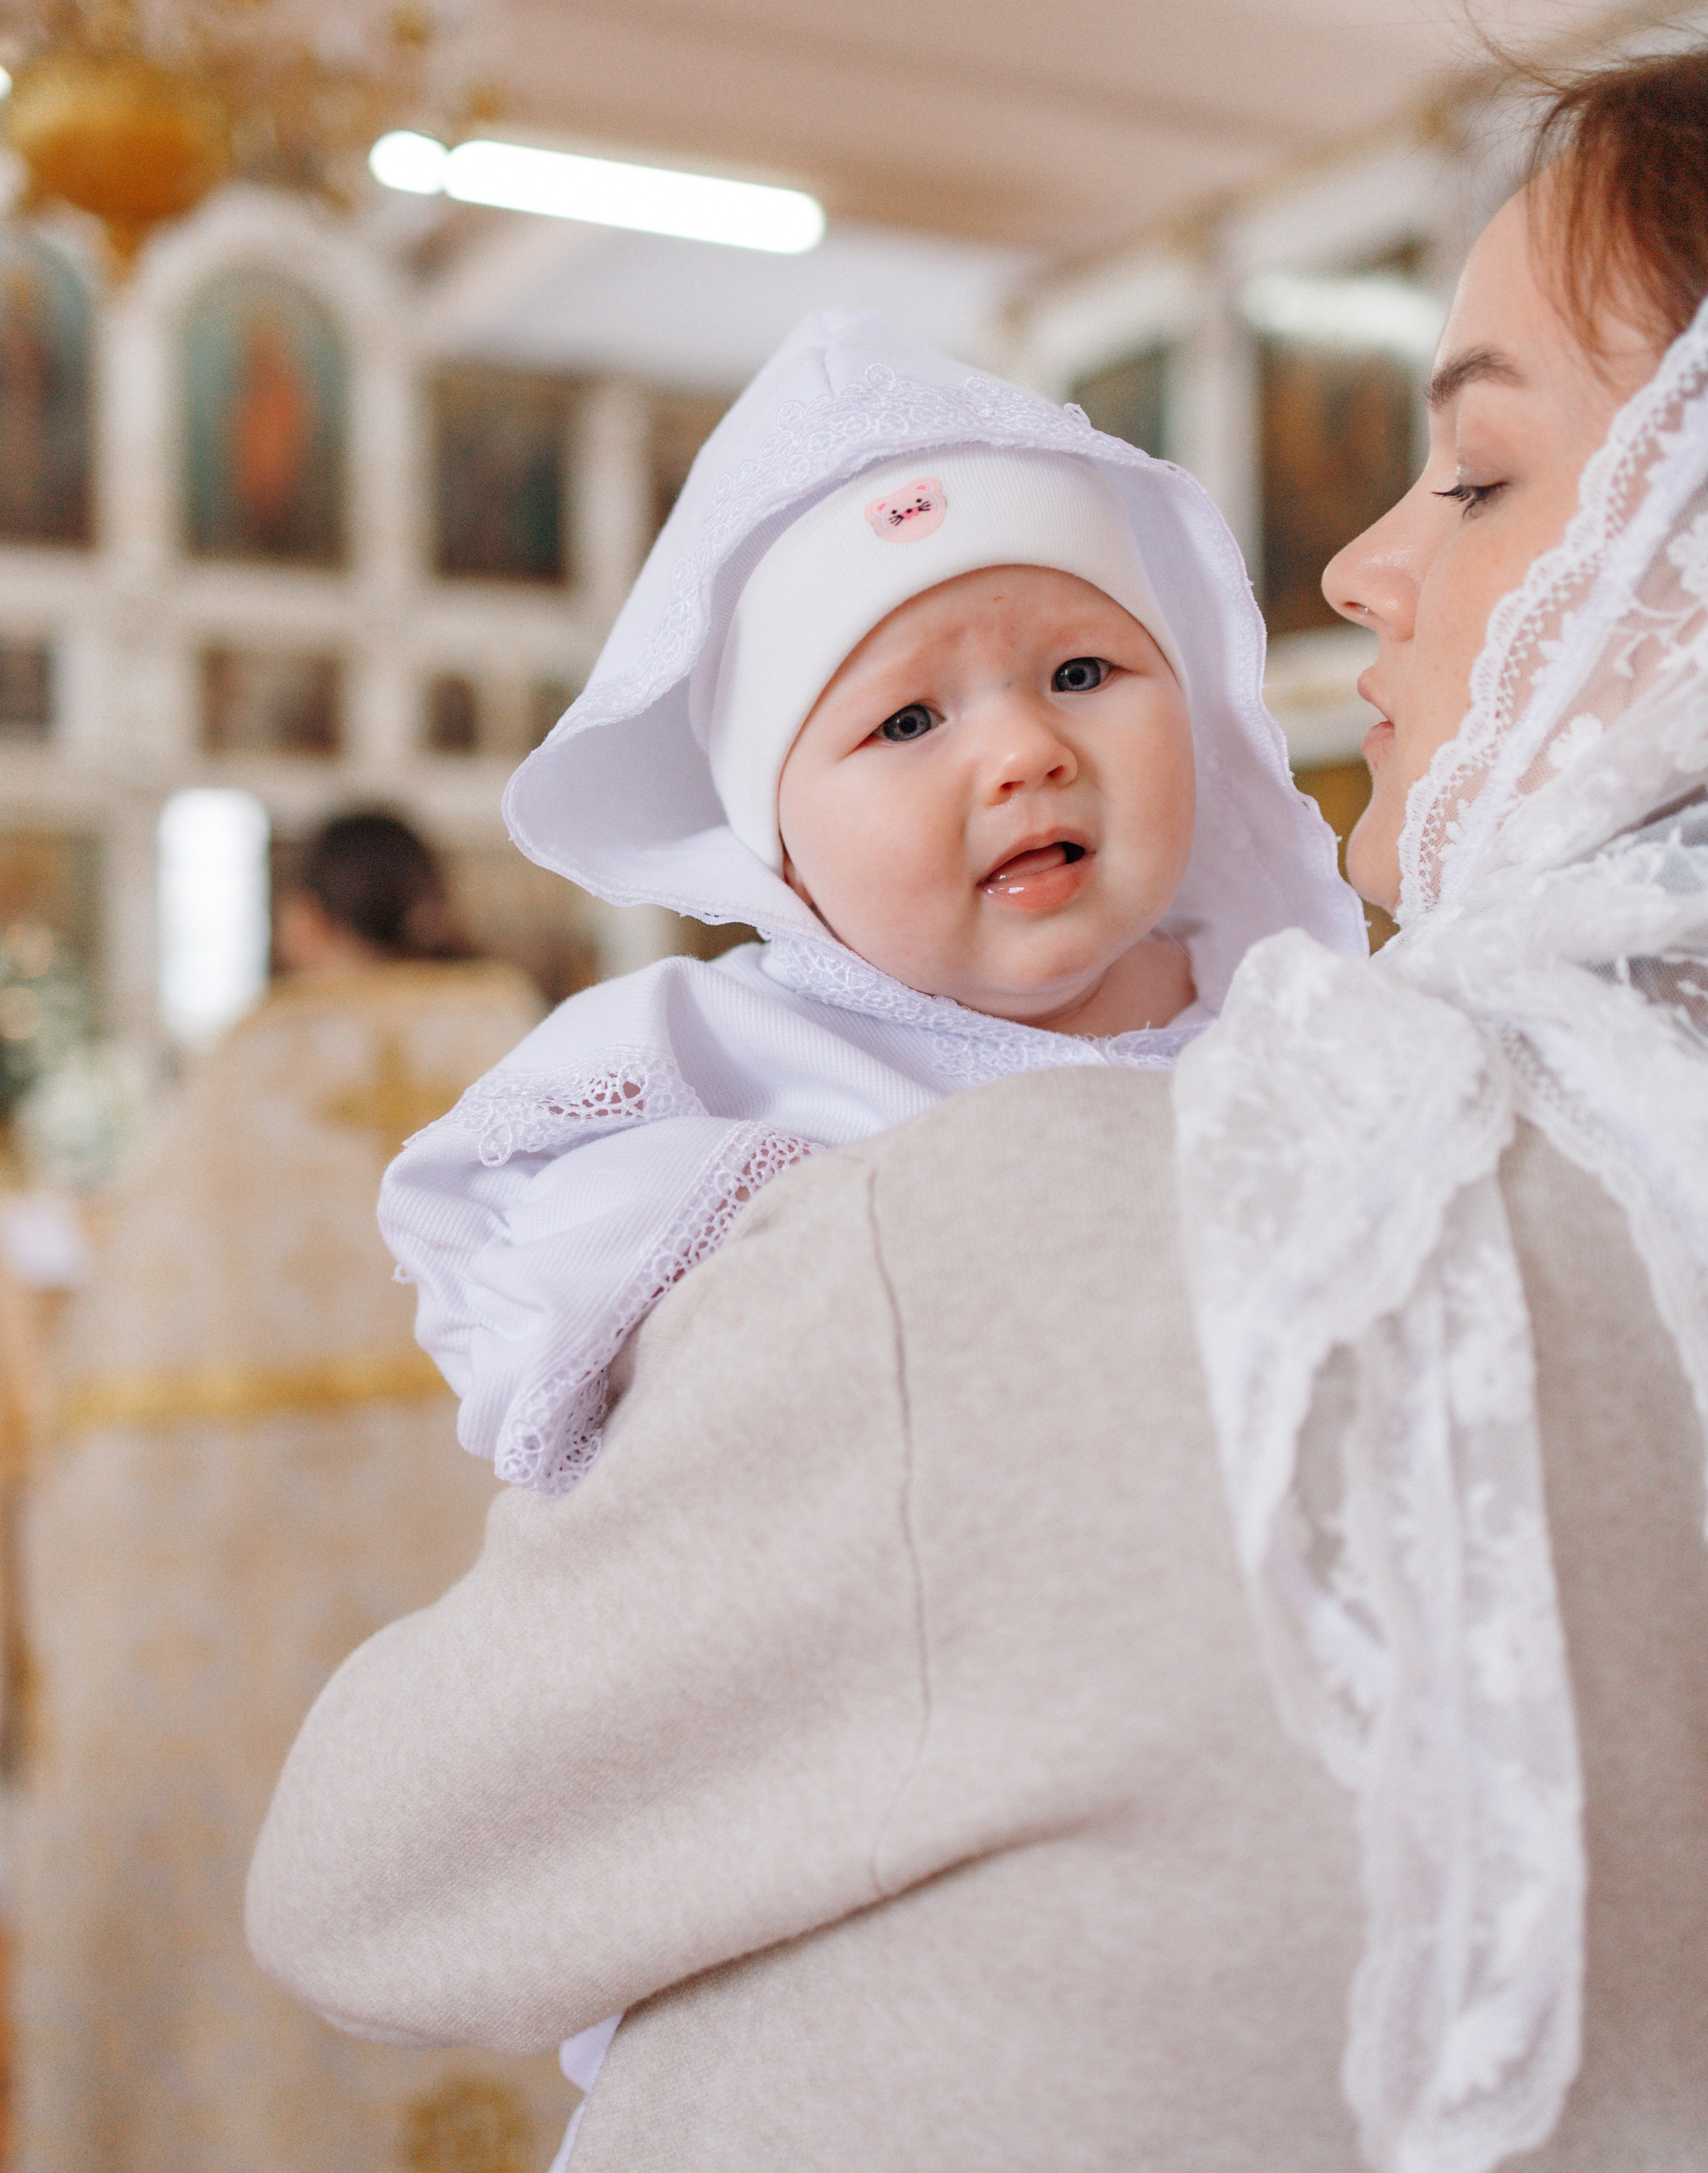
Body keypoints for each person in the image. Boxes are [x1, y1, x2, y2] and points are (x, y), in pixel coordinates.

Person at [250, 47, 1708, 2173]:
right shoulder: (726, 1107)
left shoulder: (1083, 1223)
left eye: (1485, 470)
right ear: (780, 856)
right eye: (902, 723)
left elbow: (361, 1881)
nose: (1363, 562)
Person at [380, 313, 1358, 1502]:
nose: (1023, 753)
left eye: (1082, 673)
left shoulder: (1307, 1033)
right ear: (778, 848)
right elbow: (525, 1312)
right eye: (907, 722)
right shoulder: (713, 1063)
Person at [2, 813, 570, 2173]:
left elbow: (122, 1378)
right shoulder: (537, 1047)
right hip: (511, 1574)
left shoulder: (252, 1080)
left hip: (271, 1611)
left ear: (310, 922)